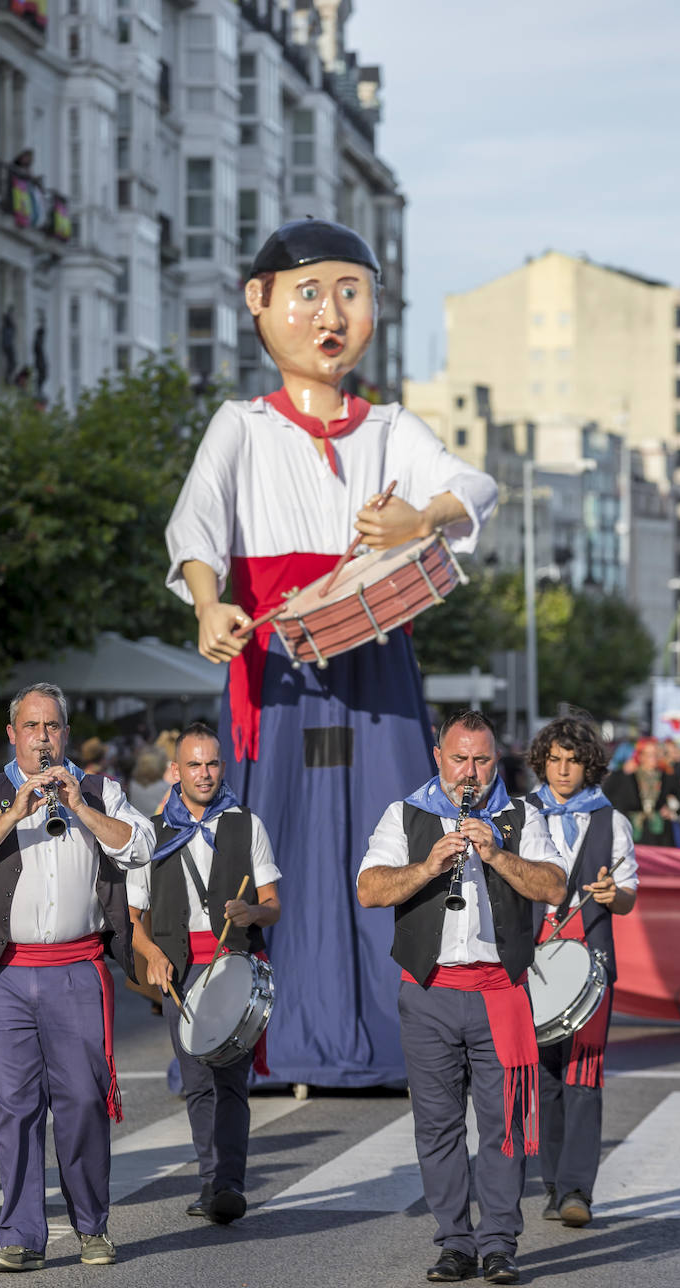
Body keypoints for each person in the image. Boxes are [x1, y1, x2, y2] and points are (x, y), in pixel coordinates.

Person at [165, 219, 498, 1091]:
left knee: (391, 835)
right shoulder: (239, 425)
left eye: (351, 292)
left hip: (377, 662)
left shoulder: (389, 427)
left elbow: (474, 486)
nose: (330, 314)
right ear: (259, 303)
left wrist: (420, 519)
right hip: (278, 665)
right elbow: (195, 526)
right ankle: (263, 1032)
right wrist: (210, 604)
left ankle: (402, 1037)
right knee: (276, 844)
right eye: (309, 292)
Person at [0, 682, 154, 1273]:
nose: (42, 737)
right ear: (11, 734)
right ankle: (20, 1236)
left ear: (65, 732)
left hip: (75, 969)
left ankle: (91, 1226)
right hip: (4, 974)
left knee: (84, 1102)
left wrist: (80, 807)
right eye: (31, 727)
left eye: (52, 726)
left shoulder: (101, 789)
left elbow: (141, 846)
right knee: (12, 1108)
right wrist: (15, 811)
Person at [357, 709, 566, 1284]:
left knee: (502, 1124)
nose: (468, 772)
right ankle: (454, 1241)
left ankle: (499, 1241)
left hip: (499, 988)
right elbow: (369, 890)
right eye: (459, 759)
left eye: (480, 759)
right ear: (438, 757)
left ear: (495, 760)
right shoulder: (406, 813)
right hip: (429, 992)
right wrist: (428, 866)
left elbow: (553, 885)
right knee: (438, 1124)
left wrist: (497, 853)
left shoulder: (521, 814)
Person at [127, 723, 280, 1224]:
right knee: (196, 1081)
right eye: (194, 764)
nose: (204, 773)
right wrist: (149, 951)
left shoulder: (246, 824)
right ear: (176, 770)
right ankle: (210, 1179)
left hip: (233, 965)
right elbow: (132, 918)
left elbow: (274, 905)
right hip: (180, 970)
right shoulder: (151, 832)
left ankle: (228, 1184)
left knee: (232, 1081)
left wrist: (251, 913)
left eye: (212, 763)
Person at [525, 716, 638, 1228]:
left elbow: (629, 891)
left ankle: (577, 1192)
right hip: (533, 962)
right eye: (554, 759)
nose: (563, 769)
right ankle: (552, 1183)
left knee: (583, 1075)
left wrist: (616, 897)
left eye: (573, 760)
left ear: (589, 765)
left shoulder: (612, 821)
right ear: (542, 761)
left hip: (590, 963)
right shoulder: (519, 814)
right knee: (544, 1077)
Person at [602, 737, 680, 846]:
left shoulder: (667, 776)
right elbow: (609, 796)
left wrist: (672, 811)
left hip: (659, 835)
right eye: (649, 754)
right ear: (640, 756)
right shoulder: (628, 775)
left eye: (656, 754)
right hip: (631, 833)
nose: (653, 758)